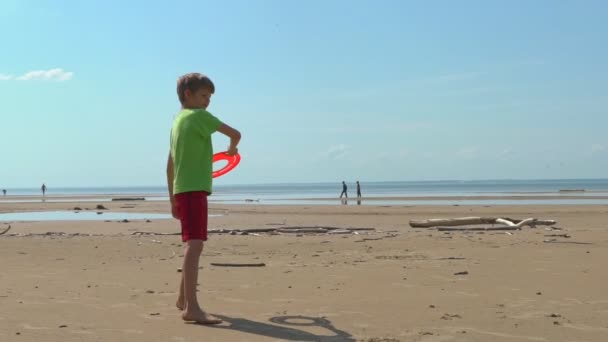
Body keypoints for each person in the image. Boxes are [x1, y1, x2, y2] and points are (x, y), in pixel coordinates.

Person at [167, 73, 241, 324]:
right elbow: (235, 133)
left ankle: (181, 298)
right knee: (194, 245)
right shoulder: (199, 117)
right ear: (188, 95)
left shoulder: (177, 122)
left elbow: (170, 164)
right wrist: (231, 150)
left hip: (182, 189)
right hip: (195, 189)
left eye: (209, 97)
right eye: (203, 96)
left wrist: (171, 198)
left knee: (191, 243)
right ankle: (192, 308)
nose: (207, 101)